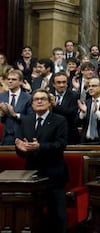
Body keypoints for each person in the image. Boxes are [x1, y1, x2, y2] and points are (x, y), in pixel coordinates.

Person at [15, 89, 68, 233]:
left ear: (49, 102)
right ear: (31, 104)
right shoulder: (26, 120)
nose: (39, 101)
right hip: (32, 173)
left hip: (54, 174)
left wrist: (40, 147)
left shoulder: (59, 120)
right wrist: (21, 149)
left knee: (57, 214)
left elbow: (61, 144)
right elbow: (20, 145)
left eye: (43, 99)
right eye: (36, 99)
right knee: (33, 213)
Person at [0, 70, 33, 145]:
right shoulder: (1, 96)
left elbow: (31, 119)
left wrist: (15, 114)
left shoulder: (28, 98)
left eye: (13, 79)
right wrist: (1, 114)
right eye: (8, 79)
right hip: (4, 137)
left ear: (21, 82)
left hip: (22, 137)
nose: (10, 81)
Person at [52, 72, 80, 144]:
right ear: (53, 84)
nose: (62, 85)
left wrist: (55, 106)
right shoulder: (47, 95)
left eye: (64, 82)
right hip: (51, 133)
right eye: (59, 82)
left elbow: (72, 113)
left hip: (69, 133)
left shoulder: (74, 96)